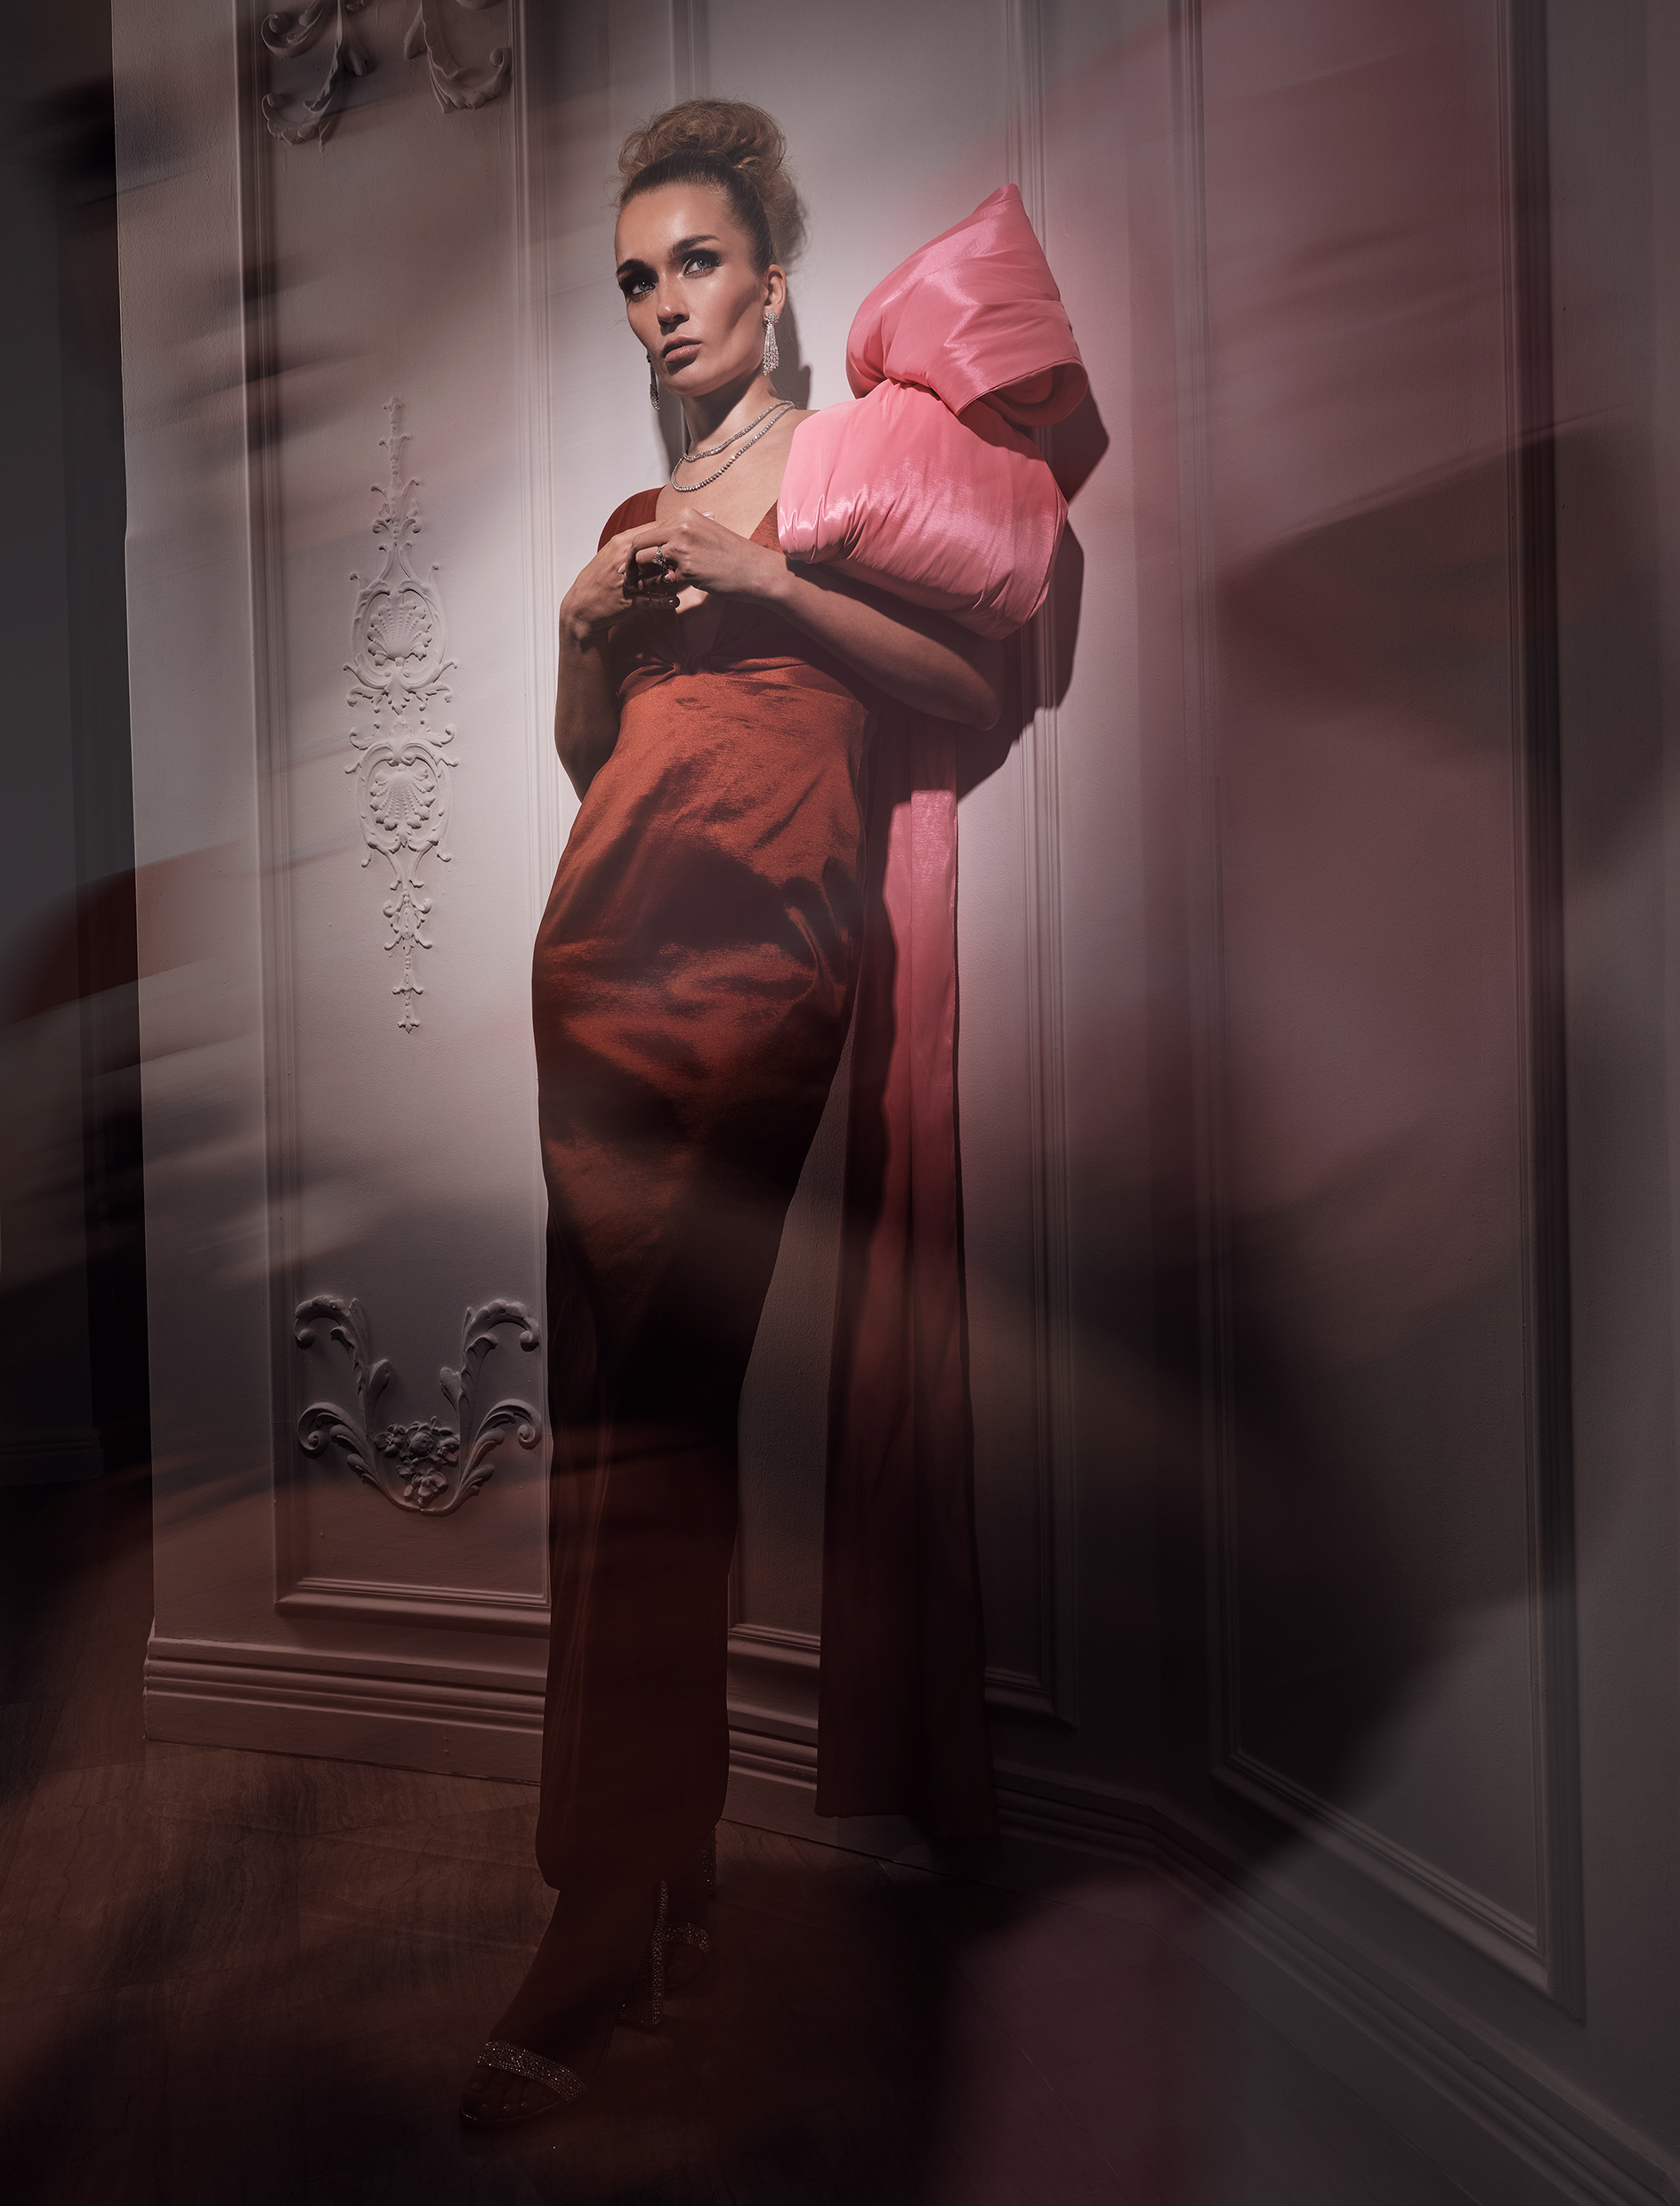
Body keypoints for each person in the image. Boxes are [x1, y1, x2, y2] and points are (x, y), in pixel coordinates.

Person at [461, 98, 1003, 2129]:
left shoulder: (843, 470)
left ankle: (607, 1906)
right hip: (594, 971)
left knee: (663, 1424)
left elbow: (962, 682)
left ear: (772, 280)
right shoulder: (634, 510)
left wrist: (752, 575)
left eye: (694, 263)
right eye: (634, 278)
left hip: (760, 983)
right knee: (615, 1420)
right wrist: (577, 627)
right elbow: (594, 756)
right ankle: (642, 1878)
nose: (661, 305)